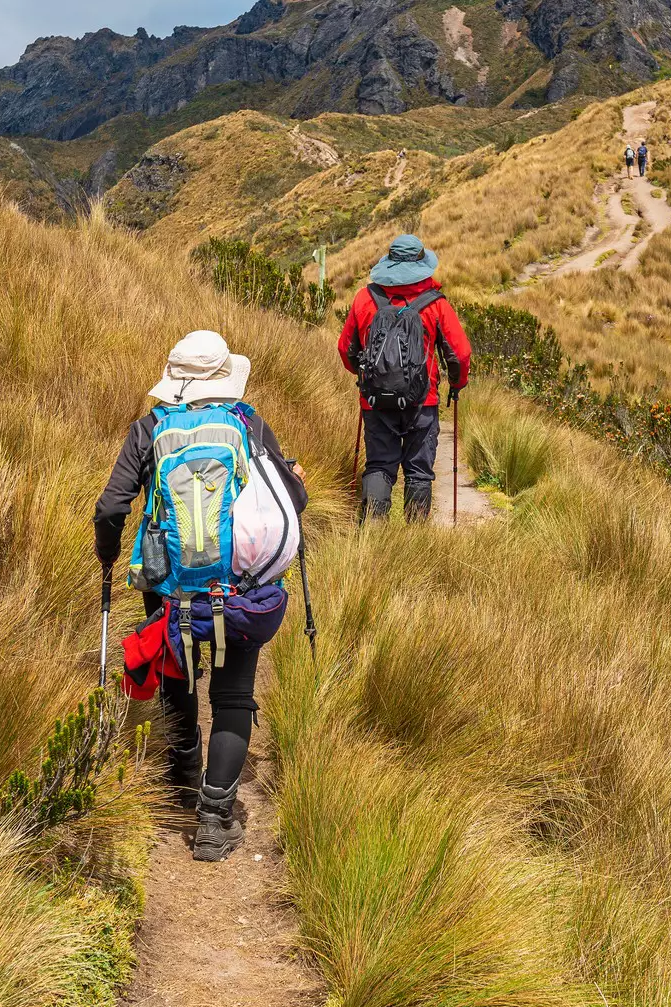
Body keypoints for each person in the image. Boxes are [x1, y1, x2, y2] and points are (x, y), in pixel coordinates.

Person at [94, 329, 307, 861]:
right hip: (237, 586)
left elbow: (111, 507)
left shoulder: (149, 429)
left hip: (167, 584)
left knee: (178, 677)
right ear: (222, 380)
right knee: (233, 695)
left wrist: (107, 553)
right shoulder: (248, 424)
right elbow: (291, 500)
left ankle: (184, 774)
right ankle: (215, 820)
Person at [337, 233, 473, 522]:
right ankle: (414, 541)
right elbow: (459, 354)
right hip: (423, 401)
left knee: (379, 466)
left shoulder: (365, 298)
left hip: (375, 401)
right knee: (419, 471)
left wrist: (364, 377)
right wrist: (457, 384)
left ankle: (372, 536)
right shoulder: (436, 304)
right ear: (421, 265)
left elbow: (346, 348)